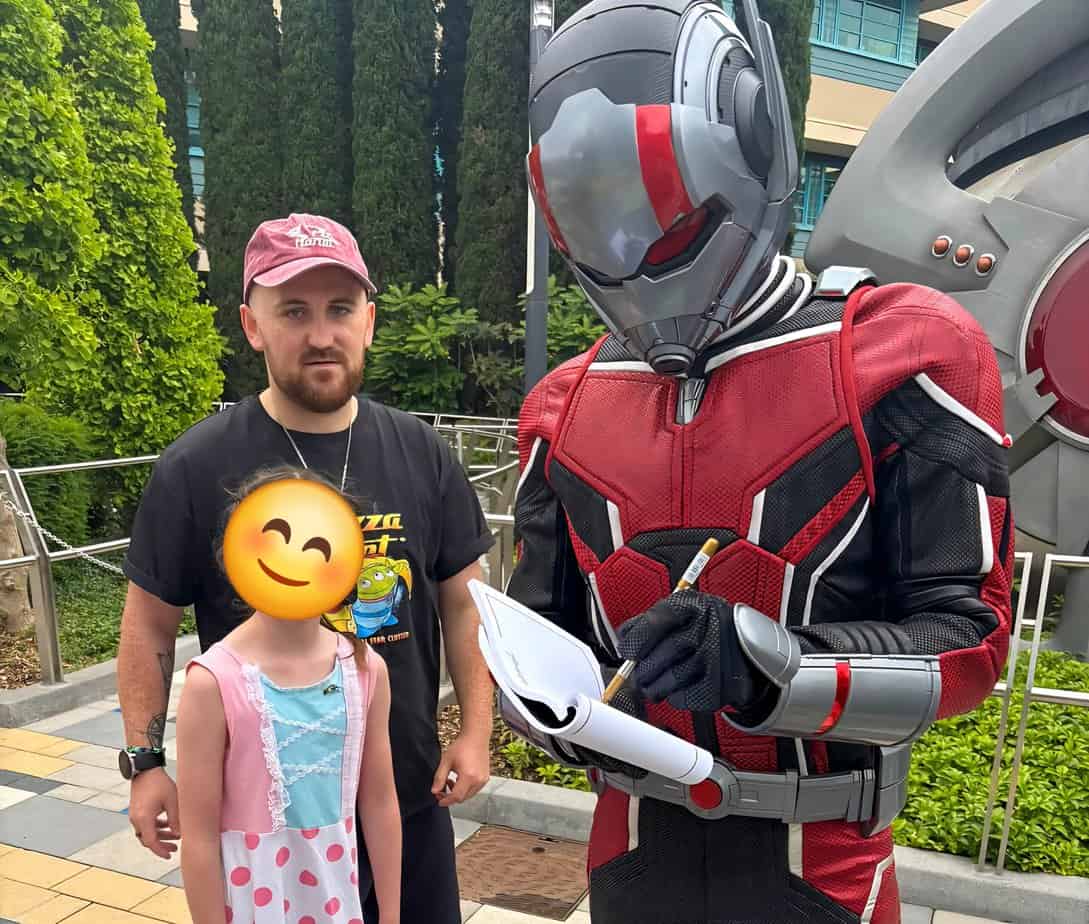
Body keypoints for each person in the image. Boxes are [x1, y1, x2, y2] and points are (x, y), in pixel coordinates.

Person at [502, 2, 1013, 923]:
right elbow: (544, 642)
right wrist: (534, 698)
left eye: (651, 208)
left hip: (817, 859)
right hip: (633, 854)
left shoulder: (897, 352)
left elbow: (967, 642)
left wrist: (769, 664)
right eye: (596, 215)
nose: (627, 250)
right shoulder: (564, 405)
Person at [117, 212, 495, 924]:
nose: (321, 333)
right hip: (264, 836)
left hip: (403, 809)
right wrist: (145, 762)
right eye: (293, 310)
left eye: (340, 309)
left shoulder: (420, 453)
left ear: (369, 321)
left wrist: (474, 729)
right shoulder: (197, 466)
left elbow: (466, 605)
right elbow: (147, 623)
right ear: (252, 324)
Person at [176, 466, 401, 924]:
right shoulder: (213, 682)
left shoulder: (365, 670)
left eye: (320, 545)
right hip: (248, 901)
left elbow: (379, 802)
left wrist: (392, 916)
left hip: (339, 897)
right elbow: (197, 836)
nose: (297, 559)